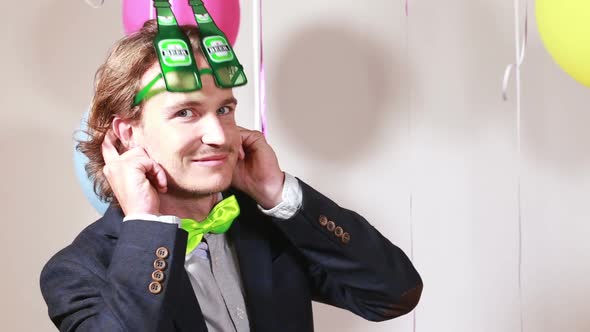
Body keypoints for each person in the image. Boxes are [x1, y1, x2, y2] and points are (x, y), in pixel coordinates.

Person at [40, 21, 423, 332]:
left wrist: (277, 192)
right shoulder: (77, 271)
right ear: (127, 133)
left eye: (224, 109)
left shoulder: (271, 226)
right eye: (185, 113)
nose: (220, 136)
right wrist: (146, 225)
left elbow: (394, 295)